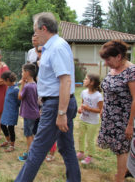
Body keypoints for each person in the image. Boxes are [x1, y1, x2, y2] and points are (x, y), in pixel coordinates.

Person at [15, 12, 81, 182]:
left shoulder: (57, 47)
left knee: (36, 150)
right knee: (66, 148)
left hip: (57, 105)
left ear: (44, 28)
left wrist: (61, 113)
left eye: (35, 30)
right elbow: (52, 79)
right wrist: (42, 97)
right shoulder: (51, 47)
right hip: (55, 102)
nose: (34, 35)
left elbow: (65, 80)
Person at [97, 40, 135, 182]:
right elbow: (109, 90)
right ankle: (124, 172)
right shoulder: (113, 68)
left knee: (122, 150)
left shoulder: (131, 71)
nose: (106, 63)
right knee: (118, 151)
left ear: (119, 56)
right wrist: (104, 108)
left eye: (108, 59)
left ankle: (119, 178)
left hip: (123, 120)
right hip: (110, 117)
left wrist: (130, 124)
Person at [77, 73, 103, 164]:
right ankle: (81, 153)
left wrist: (89, 109)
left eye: (86, 79)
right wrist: (80, 109)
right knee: (81, 137)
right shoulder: (83, 92)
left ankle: (90, 156)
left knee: (90, 139)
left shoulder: (98, 96)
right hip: (83, 119)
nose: (84, 80)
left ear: (92, 82)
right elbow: (83, 104)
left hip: (92, 122)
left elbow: (100, 110)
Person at [17, 64, 40, 161]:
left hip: (28, 113)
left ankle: (29, 153)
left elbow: (20, 97)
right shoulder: (35, 84)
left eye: (22, 72)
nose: (22, 73)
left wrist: (22, 84)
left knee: (28, 134)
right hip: (34, 112)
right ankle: (32, 151)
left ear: (27, 73)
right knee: (31, 133)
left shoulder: (27, 86)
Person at [0, 71, 20, 152]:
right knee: (2, 125)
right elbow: (16, 83)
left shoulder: (15, 90)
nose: (4, 83)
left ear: (8, 80)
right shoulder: (10, 87)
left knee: (11, 128)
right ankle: (8, 140)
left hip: (12, 112)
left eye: (4, 81)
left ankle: (12, 145)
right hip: (6, 111)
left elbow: (19, 101)